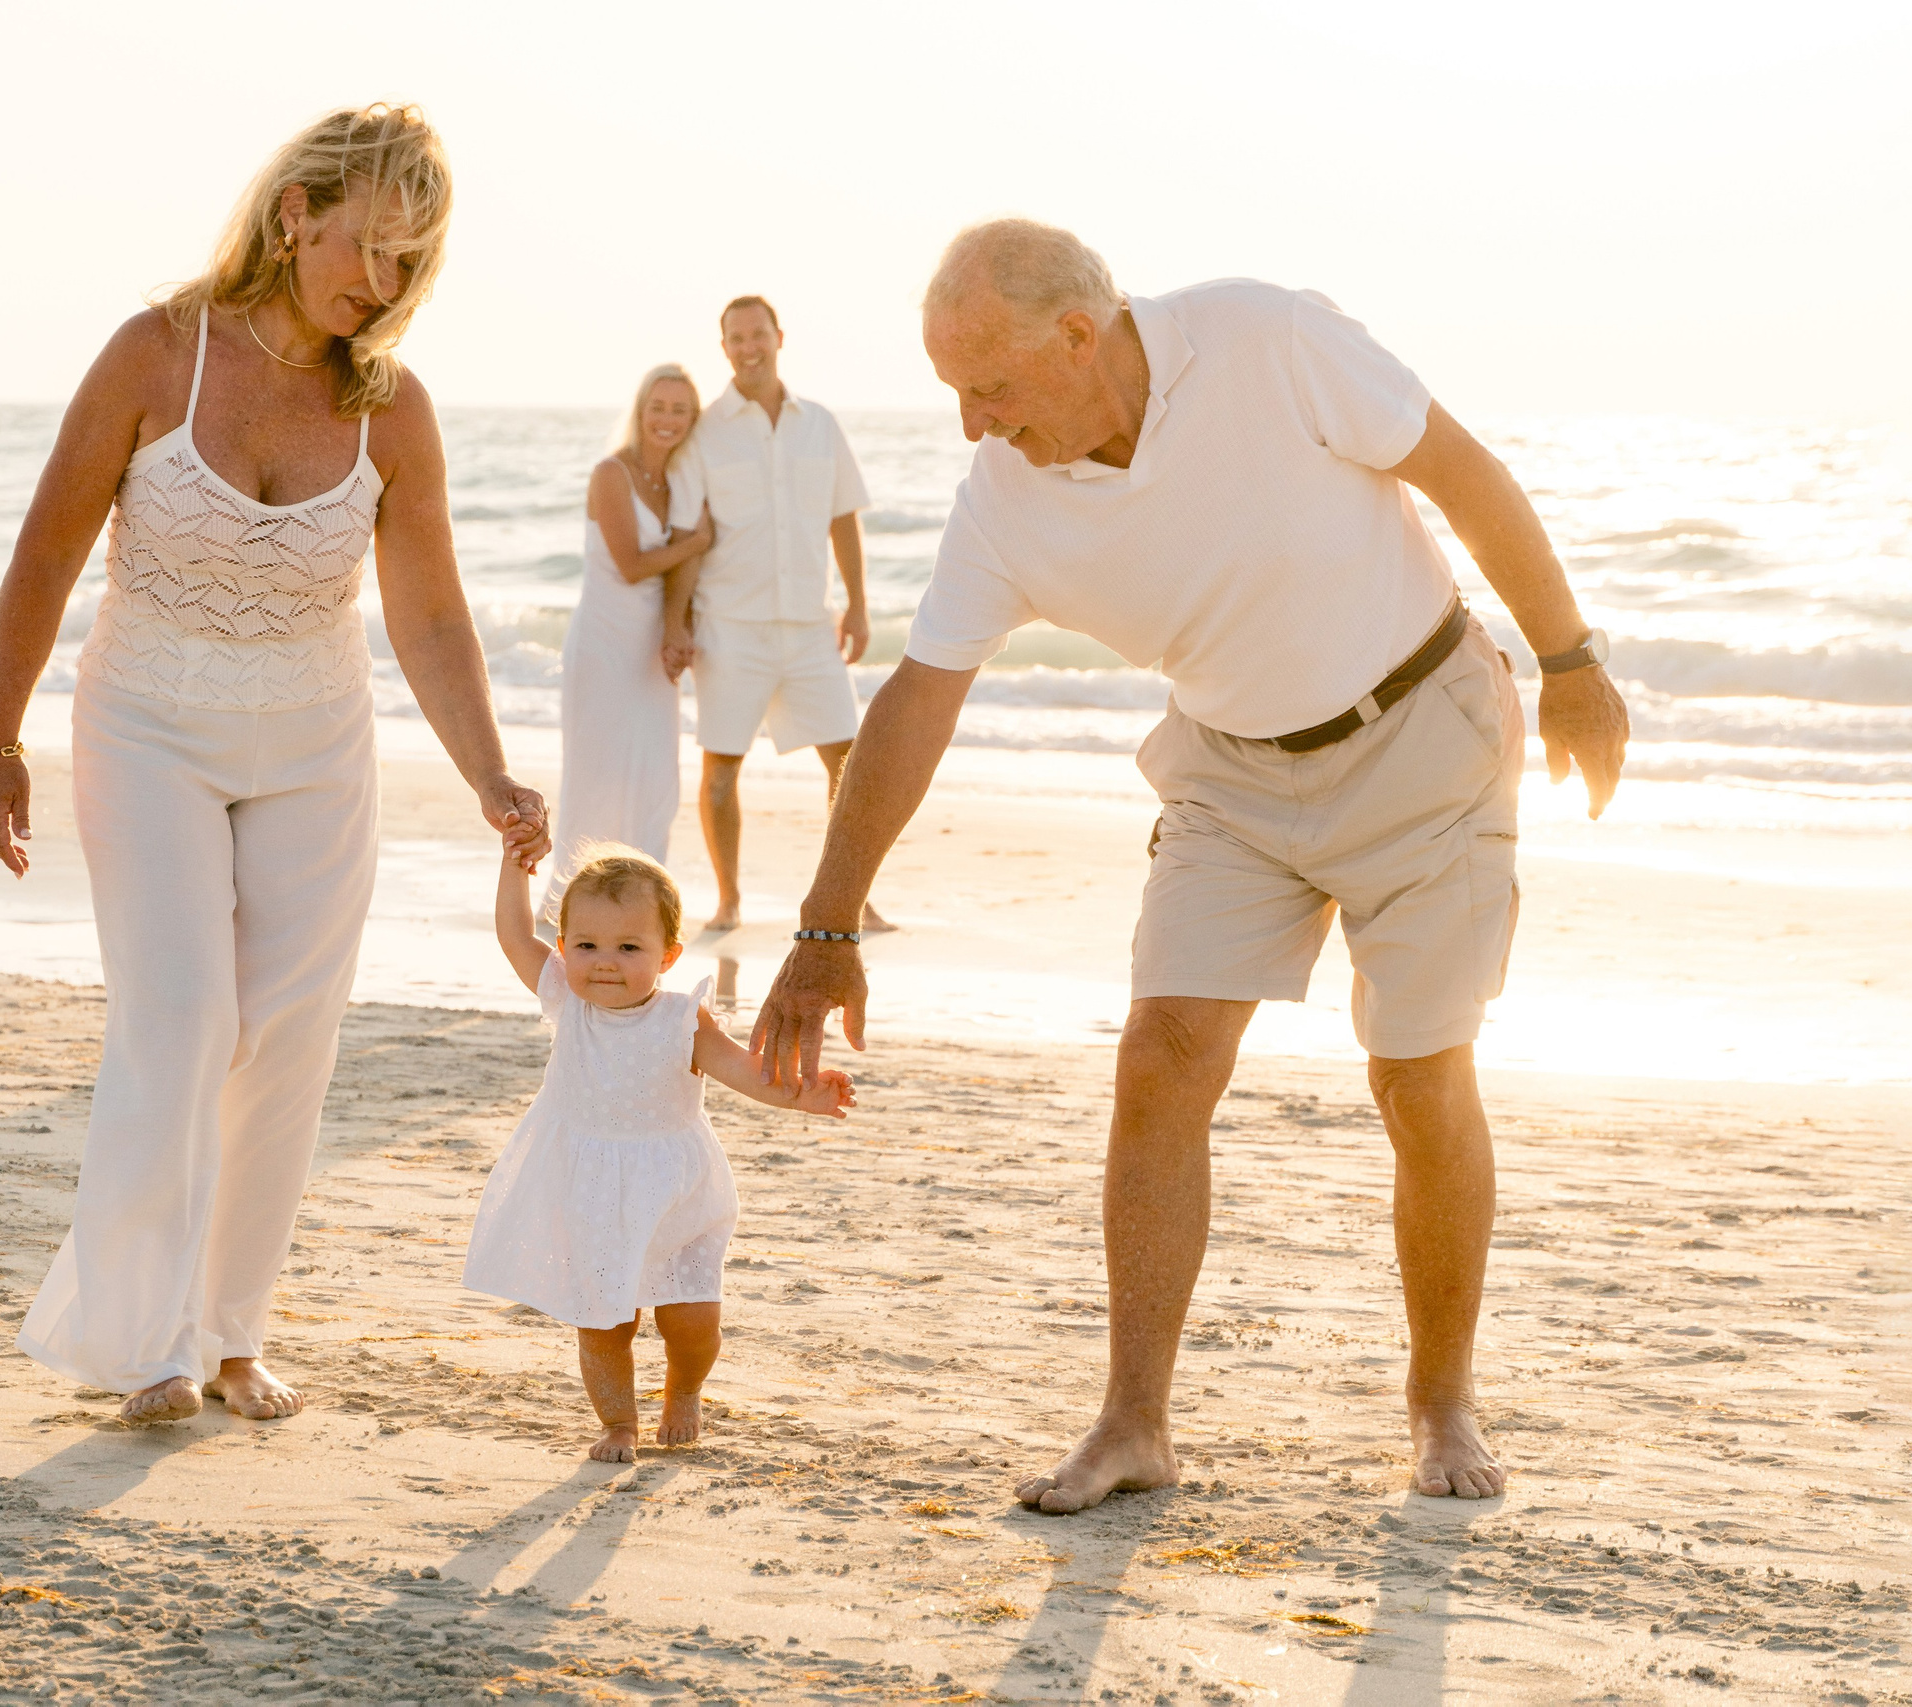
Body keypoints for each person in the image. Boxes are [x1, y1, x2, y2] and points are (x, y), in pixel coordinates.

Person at [754, 219, 1630, 1509]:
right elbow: (916, 697)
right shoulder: (1003, 501)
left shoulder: (1265, 339)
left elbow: (1459, 470)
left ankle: (1440, 1403)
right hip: (1230, 767)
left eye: (985, 389)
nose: (968, 425)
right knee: (1159, 1057)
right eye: (953, 392)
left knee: (1417, 1076)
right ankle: (1134, 1426)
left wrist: (1569, 664)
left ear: (1075, 335)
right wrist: (824, 926)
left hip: (1421, 738)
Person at [0, 104, 550, 1427]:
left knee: (286, 1037)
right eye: (370, 248)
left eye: (411, 265)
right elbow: (48, 551)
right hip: (147, 724)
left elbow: (432, 612)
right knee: (180, 1023)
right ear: (297, 214)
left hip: (313, 742)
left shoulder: (390, 411)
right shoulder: (152, 357)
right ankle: (141, 1335)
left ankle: (228, 1333)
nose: (383, 285)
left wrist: (490, 775)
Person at [464, 843, 854, 1462]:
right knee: (604, 1322)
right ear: (563, 948)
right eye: (585, 945)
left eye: (629, 947)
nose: (605, 963)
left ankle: (684, 1388)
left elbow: (745, 1071)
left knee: (692, 1320)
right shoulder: (567, 1001)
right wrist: (514, 866)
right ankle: (618, 1423)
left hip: (675, 1192)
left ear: (668, 955)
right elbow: (514, 934)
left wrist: (800, 1096)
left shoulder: (681, 1019)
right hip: (589, 1191)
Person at [665, 296, 887, 934]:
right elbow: (689, 534)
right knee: (721, 769)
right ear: (724, 347)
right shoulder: (704, 431)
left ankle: (850, 899)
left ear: (779, 337)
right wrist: (675, 623)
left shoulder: (818, 423)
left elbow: (843, 517)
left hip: (811, 627)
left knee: (848, 763)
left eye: (757, 335)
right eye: (735, 339)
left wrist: (859, 606)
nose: (748, 347)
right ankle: (729, 899)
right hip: (730, 630)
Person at [539, 365, 716, 922]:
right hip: (603, 644)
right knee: (597, 775)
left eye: (679, 410)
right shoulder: (610, 474)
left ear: (693, 421)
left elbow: (679, 574)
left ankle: (640, 900)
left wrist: (677, 626)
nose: (667, 419)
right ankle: (574, 902)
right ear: (641, 411)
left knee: (655, 773)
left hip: (649, 648)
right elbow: (634, 565)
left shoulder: (683, 483)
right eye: (657, 407)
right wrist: (697, 542)